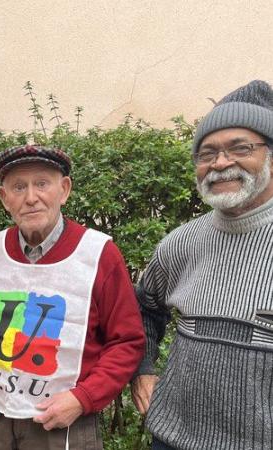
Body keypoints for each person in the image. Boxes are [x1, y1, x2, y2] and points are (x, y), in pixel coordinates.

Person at [0, 144, 145, 449]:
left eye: (42, 183)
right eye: (18, 187)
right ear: (4, 198)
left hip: (63, 424)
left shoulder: (98, 254)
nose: (30, 197)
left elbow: (126, 341)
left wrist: (83, 398)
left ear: (64, 190)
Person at [131, 80, 273, 450]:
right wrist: (143, 369)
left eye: (241, 148)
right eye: (207, 153)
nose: (221, 163)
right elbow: (143, 309)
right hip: (172, 439)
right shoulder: (181, 242)